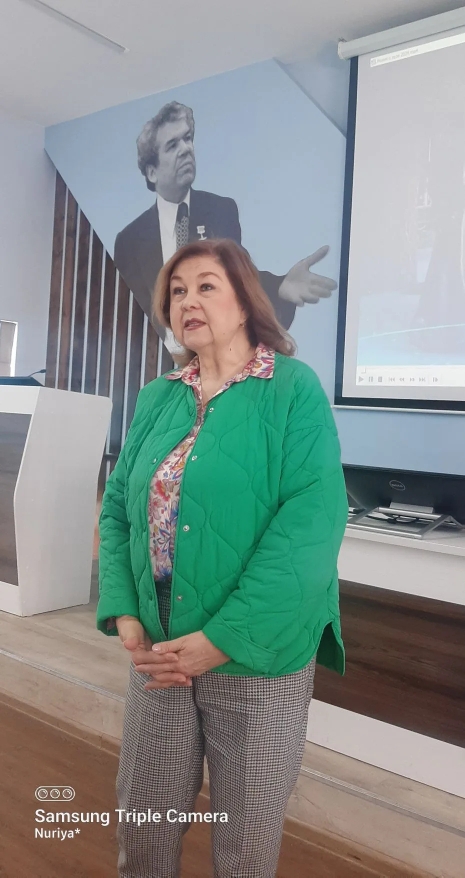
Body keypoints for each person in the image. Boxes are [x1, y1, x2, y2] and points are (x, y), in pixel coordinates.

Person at [96, 238, 347, 878]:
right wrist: (125, 613)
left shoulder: (292, 389)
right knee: (144, 823)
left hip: (256, 653)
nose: (188, 301)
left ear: (245, 300)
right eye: (178, 291)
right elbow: (119, 509)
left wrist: (222, 639)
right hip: (159, 646)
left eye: (206, 286)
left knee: (245, 841)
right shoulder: (158, 397)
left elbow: (310, 528)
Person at [114, 100, 337, 353]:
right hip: (161, 365)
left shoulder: (220, 210)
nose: (186, 149)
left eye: (188, 139)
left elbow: (238, 279)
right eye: (173, 145)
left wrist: (280, 287)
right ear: (152, 172)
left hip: (220, 359)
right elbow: (128, 321)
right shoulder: (130, 240)